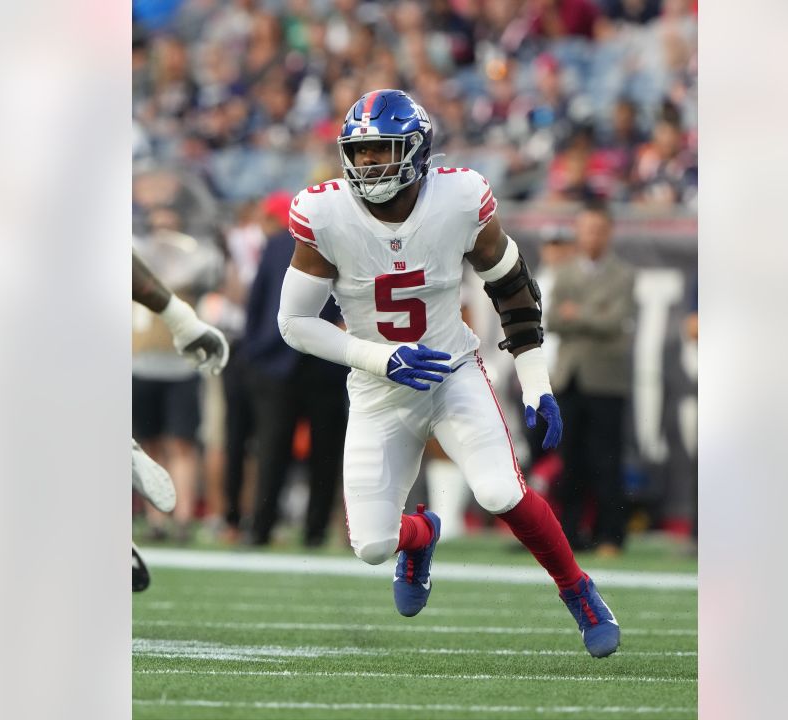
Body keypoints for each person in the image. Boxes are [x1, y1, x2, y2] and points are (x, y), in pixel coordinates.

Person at [276, 89, 619, 657]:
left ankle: (578, 590)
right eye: (359, 153)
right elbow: (294, 322)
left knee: (499, 490)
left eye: (381, 150)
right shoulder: (324, 214)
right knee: (370, 546)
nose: (367, 164)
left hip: (450, 370)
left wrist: (537, 383)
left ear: (414, 150)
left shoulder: (459, 197)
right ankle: (422, 535)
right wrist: (382, 358)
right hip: (377, 386)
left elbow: (513, 287)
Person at [244, 191, 348, 547]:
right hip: (279, 361)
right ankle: (261, 526)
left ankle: (315, 530)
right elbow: (258, 299)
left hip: (327, 360)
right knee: (272, 448)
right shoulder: (276, 244)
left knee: (326, 450)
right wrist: (256, 351)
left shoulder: (346, 241)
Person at [130, 249, 230, 590]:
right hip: (140, 362)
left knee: (180, 443)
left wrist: (181, 319)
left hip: (177, 367)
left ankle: (181, 519)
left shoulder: (193, 250)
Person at [547, 202, 636, 557]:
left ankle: (612, 535)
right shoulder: (564, 271)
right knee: (570, 461)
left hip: (606, 379)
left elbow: (614, 321)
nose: (592, 236)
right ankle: (569, 533)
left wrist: (577, 314)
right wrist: (592, 314)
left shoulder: (624, 274)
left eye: (598, 229)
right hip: (569, 377)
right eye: (586, 229)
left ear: (609, 232)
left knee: (608, 460)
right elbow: (553, 318)